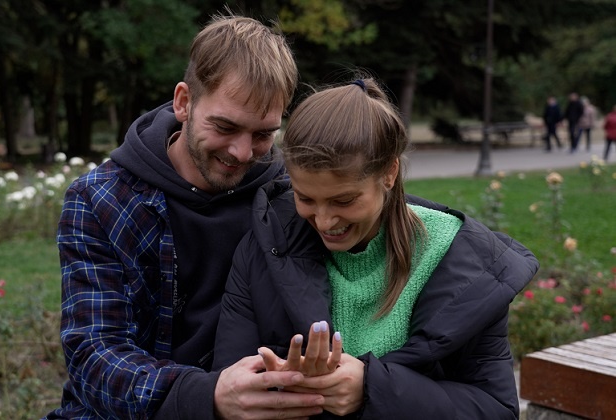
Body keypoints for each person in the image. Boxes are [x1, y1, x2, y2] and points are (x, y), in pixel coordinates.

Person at [44, 13, 329, 420]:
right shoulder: (100, 200)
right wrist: (207, 395)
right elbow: (95, 358)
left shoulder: (291, 196)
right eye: (225, 126)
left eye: (263, 134)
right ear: (183, 102)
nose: (243, 152)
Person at [213, 77, 540, 418]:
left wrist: (372, 389)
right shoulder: (266, 245)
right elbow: (231, 380)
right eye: (305, 198)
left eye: (344, 200)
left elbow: (496, 410)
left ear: (389, 173)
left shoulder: (464, 264)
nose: (324, 221)